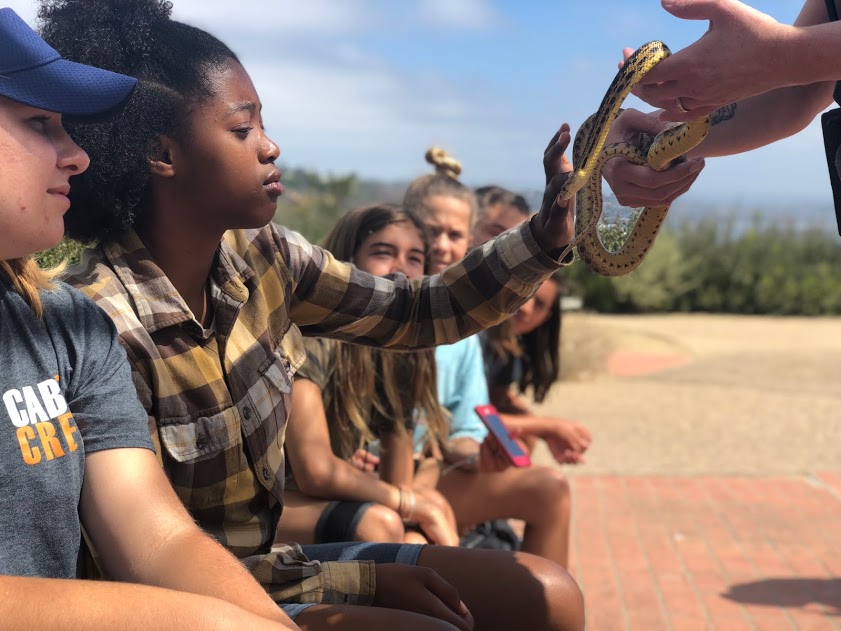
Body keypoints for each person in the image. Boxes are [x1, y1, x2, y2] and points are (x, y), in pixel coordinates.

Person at [47, 1, 585, 629]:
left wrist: (544, 238)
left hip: (271, 566)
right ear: (163, 154)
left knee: (548, 591)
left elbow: (417, 311)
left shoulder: (268, 259)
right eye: (243, 129)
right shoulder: (97, 324)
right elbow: (152, 557)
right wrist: (363, 580)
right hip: (181, 600)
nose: (271, 146)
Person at [0, 7, 299, 630]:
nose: (76, 155)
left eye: (69, 127)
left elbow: (155, 540)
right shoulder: (110, 305)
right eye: (39, 123)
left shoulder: (67, 329)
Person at [400, 151, 589, 569]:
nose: (443, 246)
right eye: (432, 232)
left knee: (550, 488)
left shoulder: (461, 332)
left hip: (433, 474)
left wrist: (476, 455)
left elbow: (467, 424)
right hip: (377, 482)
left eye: (455, 234)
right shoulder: (375, 311)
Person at [278, 204, 460, 549]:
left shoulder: (398, 352)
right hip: (269, 500)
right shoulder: (311, 335)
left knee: (417, 532)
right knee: (380, 525)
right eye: (383, 252)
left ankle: (471, 601)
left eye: (414, 258)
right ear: (346, 261)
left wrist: (413, 503)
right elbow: (314, 470)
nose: (400, 270)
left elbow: (398, 477)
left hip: (312, 498)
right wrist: (409, 502)